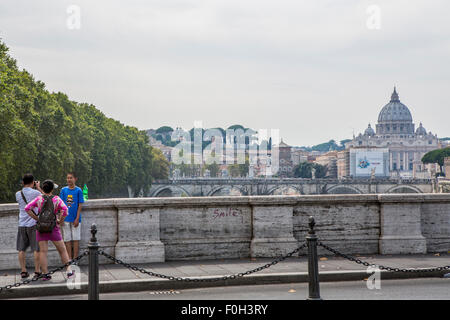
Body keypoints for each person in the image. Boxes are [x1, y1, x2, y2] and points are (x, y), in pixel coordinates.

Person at [25, 180, 74, 281]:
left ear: (43, 188)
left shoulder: (39, 199)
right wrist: (60, 220)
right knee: (63, 250)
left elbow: (27, 208)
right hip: (53, 228)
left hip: (41, 228)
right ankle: (69, 271)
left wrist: (37, 218)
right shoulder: (56, 199)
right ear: (52, 189)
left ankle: (45, 274)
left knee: (43, 252)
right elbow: (65, 210)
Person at [15, 174, 42, 279]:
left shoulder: (18, 194)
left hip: (22, 224)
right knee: (36, 249)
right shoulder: (36, 193)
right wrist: (38, 187)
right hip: (33, 223)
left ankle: (23, 271)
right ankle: (37, 271)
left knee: (21, 249)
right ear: (33, 182)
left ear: (22, 182)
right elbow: (46, 197)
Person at [59, 172, 84, 260]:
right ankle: (69, 258)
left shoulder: (78, 190)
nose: (69, 180)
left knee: (76, 239)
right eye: (68, 178)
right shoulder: (63, 190)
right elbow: (60, 205)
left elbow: (80, 205)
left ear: (75, 179)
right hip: (65, 218)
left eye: (71, 178)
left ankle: (75, 258)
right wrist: (60, 218)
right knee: (67, 239)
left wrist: (77, 218)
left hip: (75, 218)